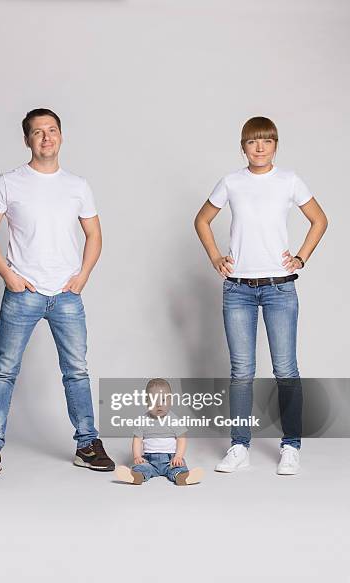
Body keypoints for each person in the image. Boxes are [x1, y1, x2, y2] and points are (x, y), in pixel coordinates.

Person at [0, 108, 115, 477]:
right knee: (4, 371)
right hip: (23, 292)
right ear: (27, 140)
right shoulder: (9, 183)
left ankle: (87, 443)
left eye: (52, 130)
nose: (46, 137)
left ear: (61, 136)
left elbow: (95, 235)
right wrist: (9, 275)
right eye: (38, 132)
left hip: (66, 295)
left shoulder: (77, 185)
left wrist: (83, 275)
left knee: (77, 372)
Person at [194, 116, 328, 475]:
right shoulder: (231, 182)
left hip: (279, 287)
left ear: (275, 146)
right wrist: (215, 256)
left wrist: (301, 257)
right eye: (253, 142)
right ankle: (239, 446)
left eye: (266, 141)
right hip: (237, 288)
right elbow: (202, 220)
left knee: (285, 369)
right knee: (242, 372)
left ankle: (291, 446)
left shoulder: (289, 181)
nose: (259, 148)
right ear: (243, 147)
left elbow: (319, 220)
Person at [114, 379, 204, 485]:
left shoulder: (173, 419)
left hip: (170, 458)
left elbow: (181, 439)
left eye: (163, 400)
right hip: (149, 459)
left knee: (177, 466)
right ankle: (136, 476)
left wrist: (178, 456)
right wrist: (137, 456)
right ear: (146, 401)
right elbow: (137, 440)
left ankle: (182, 477)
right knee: (142, 467)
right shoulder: (143, 420)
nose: (159, 405)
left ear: (170, 401)